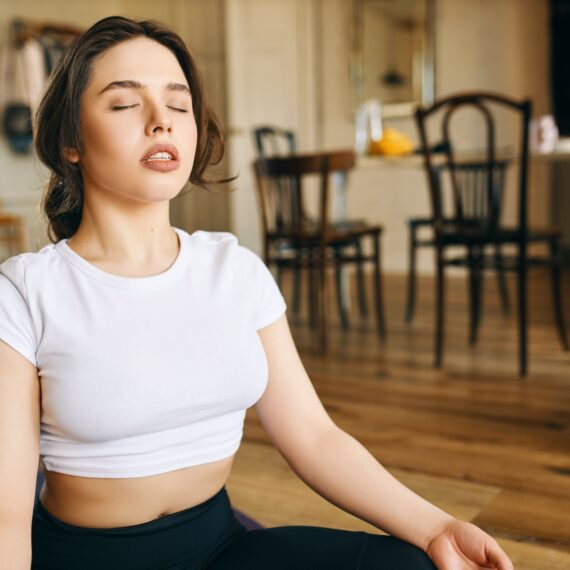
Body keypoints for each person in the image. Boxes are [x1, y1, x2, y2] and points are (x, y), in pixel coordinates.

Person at [0, 15, 514, 570]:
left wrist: (436, 527)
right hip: (87, 560)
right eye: (125, 105)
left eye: (178, 105)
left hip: (221, 547)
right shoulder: (28, 291)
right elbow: (7, 510)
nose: (161, 123)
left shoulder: (235, 270)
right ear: (71, 141)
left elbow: (314, 437)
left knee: (417, 566)